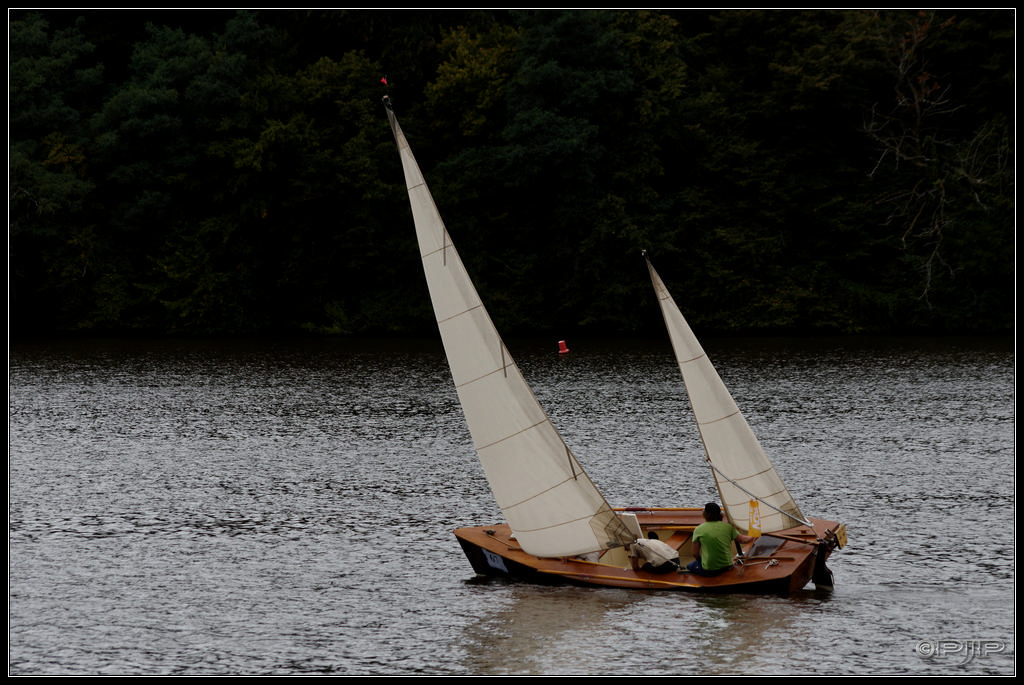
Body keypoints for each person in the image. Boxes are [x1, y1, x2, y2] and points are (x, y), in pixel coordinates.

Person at [684, 502, 754, 576]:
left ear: (705, 514)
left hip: (709, 570)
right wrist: (754, 535)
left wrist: (700, 560)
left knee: (689, 566)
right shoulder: (728, 527)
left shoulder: (699, 529)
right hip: (727, 566)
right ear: (720, 515)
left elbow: (695, 554)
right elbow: (744, 540)